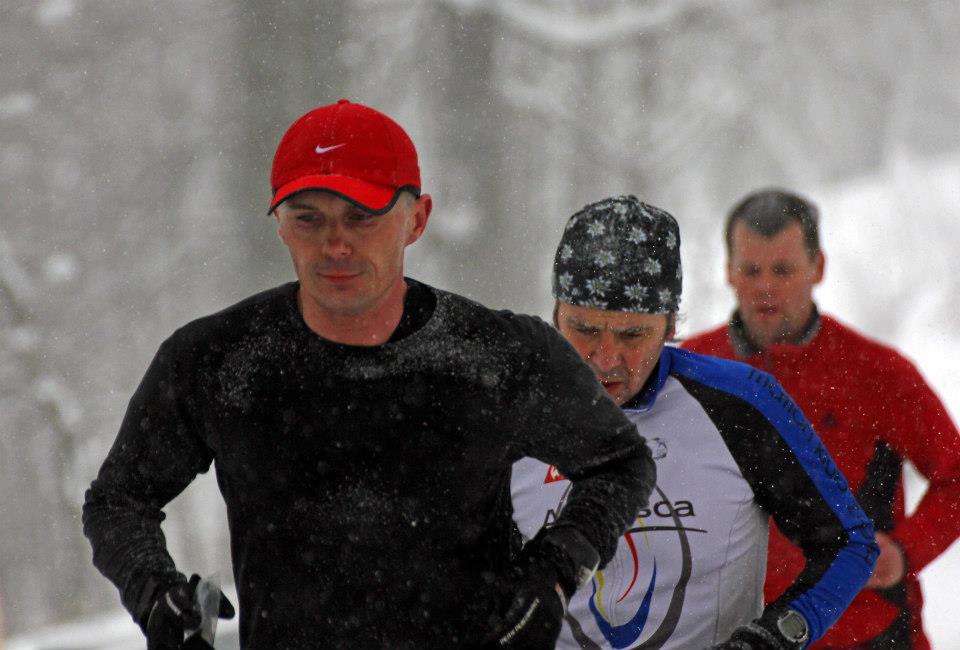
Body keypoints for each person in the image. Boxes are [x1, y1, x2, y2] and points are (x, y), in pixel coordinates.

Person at [82, 100, 657, 650]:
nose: (335, 245)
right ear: (279, 223)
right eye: (308, 219)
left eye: (361, 218)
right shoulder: (218, 360)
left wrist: (555, 570)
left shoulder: (498, 354)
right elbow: (116, 501)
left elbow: (621, 464)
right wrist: (155, 594)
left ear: (417, 219)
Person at [510, 195, 878, 650]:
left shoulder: (741, 402)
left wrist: (774, 638)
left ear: (670, 326)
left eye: (632, 334)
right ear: (555, 316)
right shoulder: (504, 411)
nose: (606, 359)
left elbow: (849, 541)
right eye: (584, 330)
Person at [683, 188, 960, 649]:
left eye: (783, 270)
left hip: (866, 634)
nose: (765, 287)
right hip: (734, 634)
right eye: (751, 270)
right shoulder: (691, 372)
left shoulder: (878, 373)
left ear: (819, 267)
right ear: (728, 271)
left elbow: (956, 476)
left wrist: (904, 550)